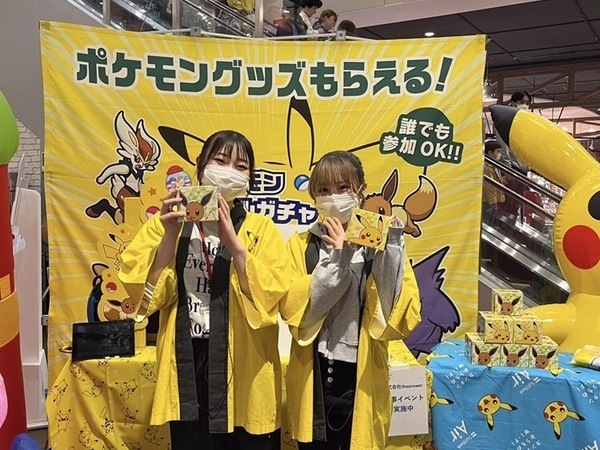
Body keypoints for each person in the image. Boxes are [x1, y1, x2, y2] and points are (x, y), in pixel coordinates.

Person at [118, 130, 289, 450]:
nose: (229, 171)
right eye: (221, 161)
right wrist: (169, 236)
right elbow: (147, 294)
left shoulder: (260, 228)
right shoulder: (166, 223)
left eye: (241, 166)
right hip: (189, 360)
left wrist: (236, 247)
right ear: (200, 164)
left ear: (250, 177)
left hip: (244, 361)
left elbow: (273, 295)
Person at [281, 151, 421, 449]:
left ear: (361, 190)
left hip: (362, 377)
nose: (334, 196)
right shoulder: (300, 245)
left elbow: (392, 312)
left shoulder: (379, 245)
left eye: (343, 187)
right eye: (323, 190)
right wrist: (339, 259)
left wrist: (391, 243)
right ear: (313, 196)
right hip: (315, 377)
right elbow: (300, 313)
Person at [483, 140, 507, 225]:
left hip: (492, 199)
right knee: (488, 220)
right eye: (498, 151)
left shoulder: (493, 165)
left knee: (491, 219)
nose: (500, 154)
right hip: (488, 201)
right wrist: (493, 201)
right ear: (490, 152)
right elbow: (489, 186)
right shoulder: (487, 167)